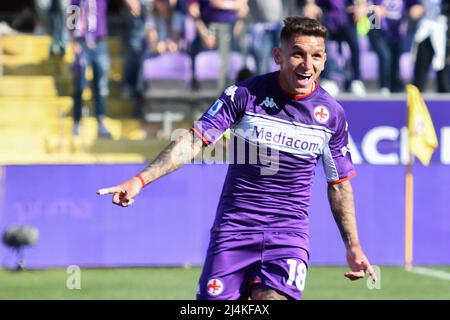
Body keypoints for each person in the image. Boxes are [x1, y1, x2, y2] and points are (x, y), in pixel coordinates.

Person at [97, 16, 377, 300]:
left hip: (288, 236)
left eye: (316, 56)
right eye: (297, 54)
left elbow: (339, 184)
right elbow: (194, 141)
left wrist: (353, 246)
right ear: (278, 56)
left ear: (325, 60)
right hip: (235, 230)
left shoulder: (331, 116)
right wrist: (140, 180)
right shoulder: (244, 95)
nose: (307, 65)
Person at [71, 0, 112, 138]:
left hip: (99, 42)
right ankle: (76, 121)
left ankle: (101, 121)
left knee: (101, 85)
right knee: (80, 85)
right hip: (81, 42)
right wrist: (73, 41)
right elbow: (72, 12)